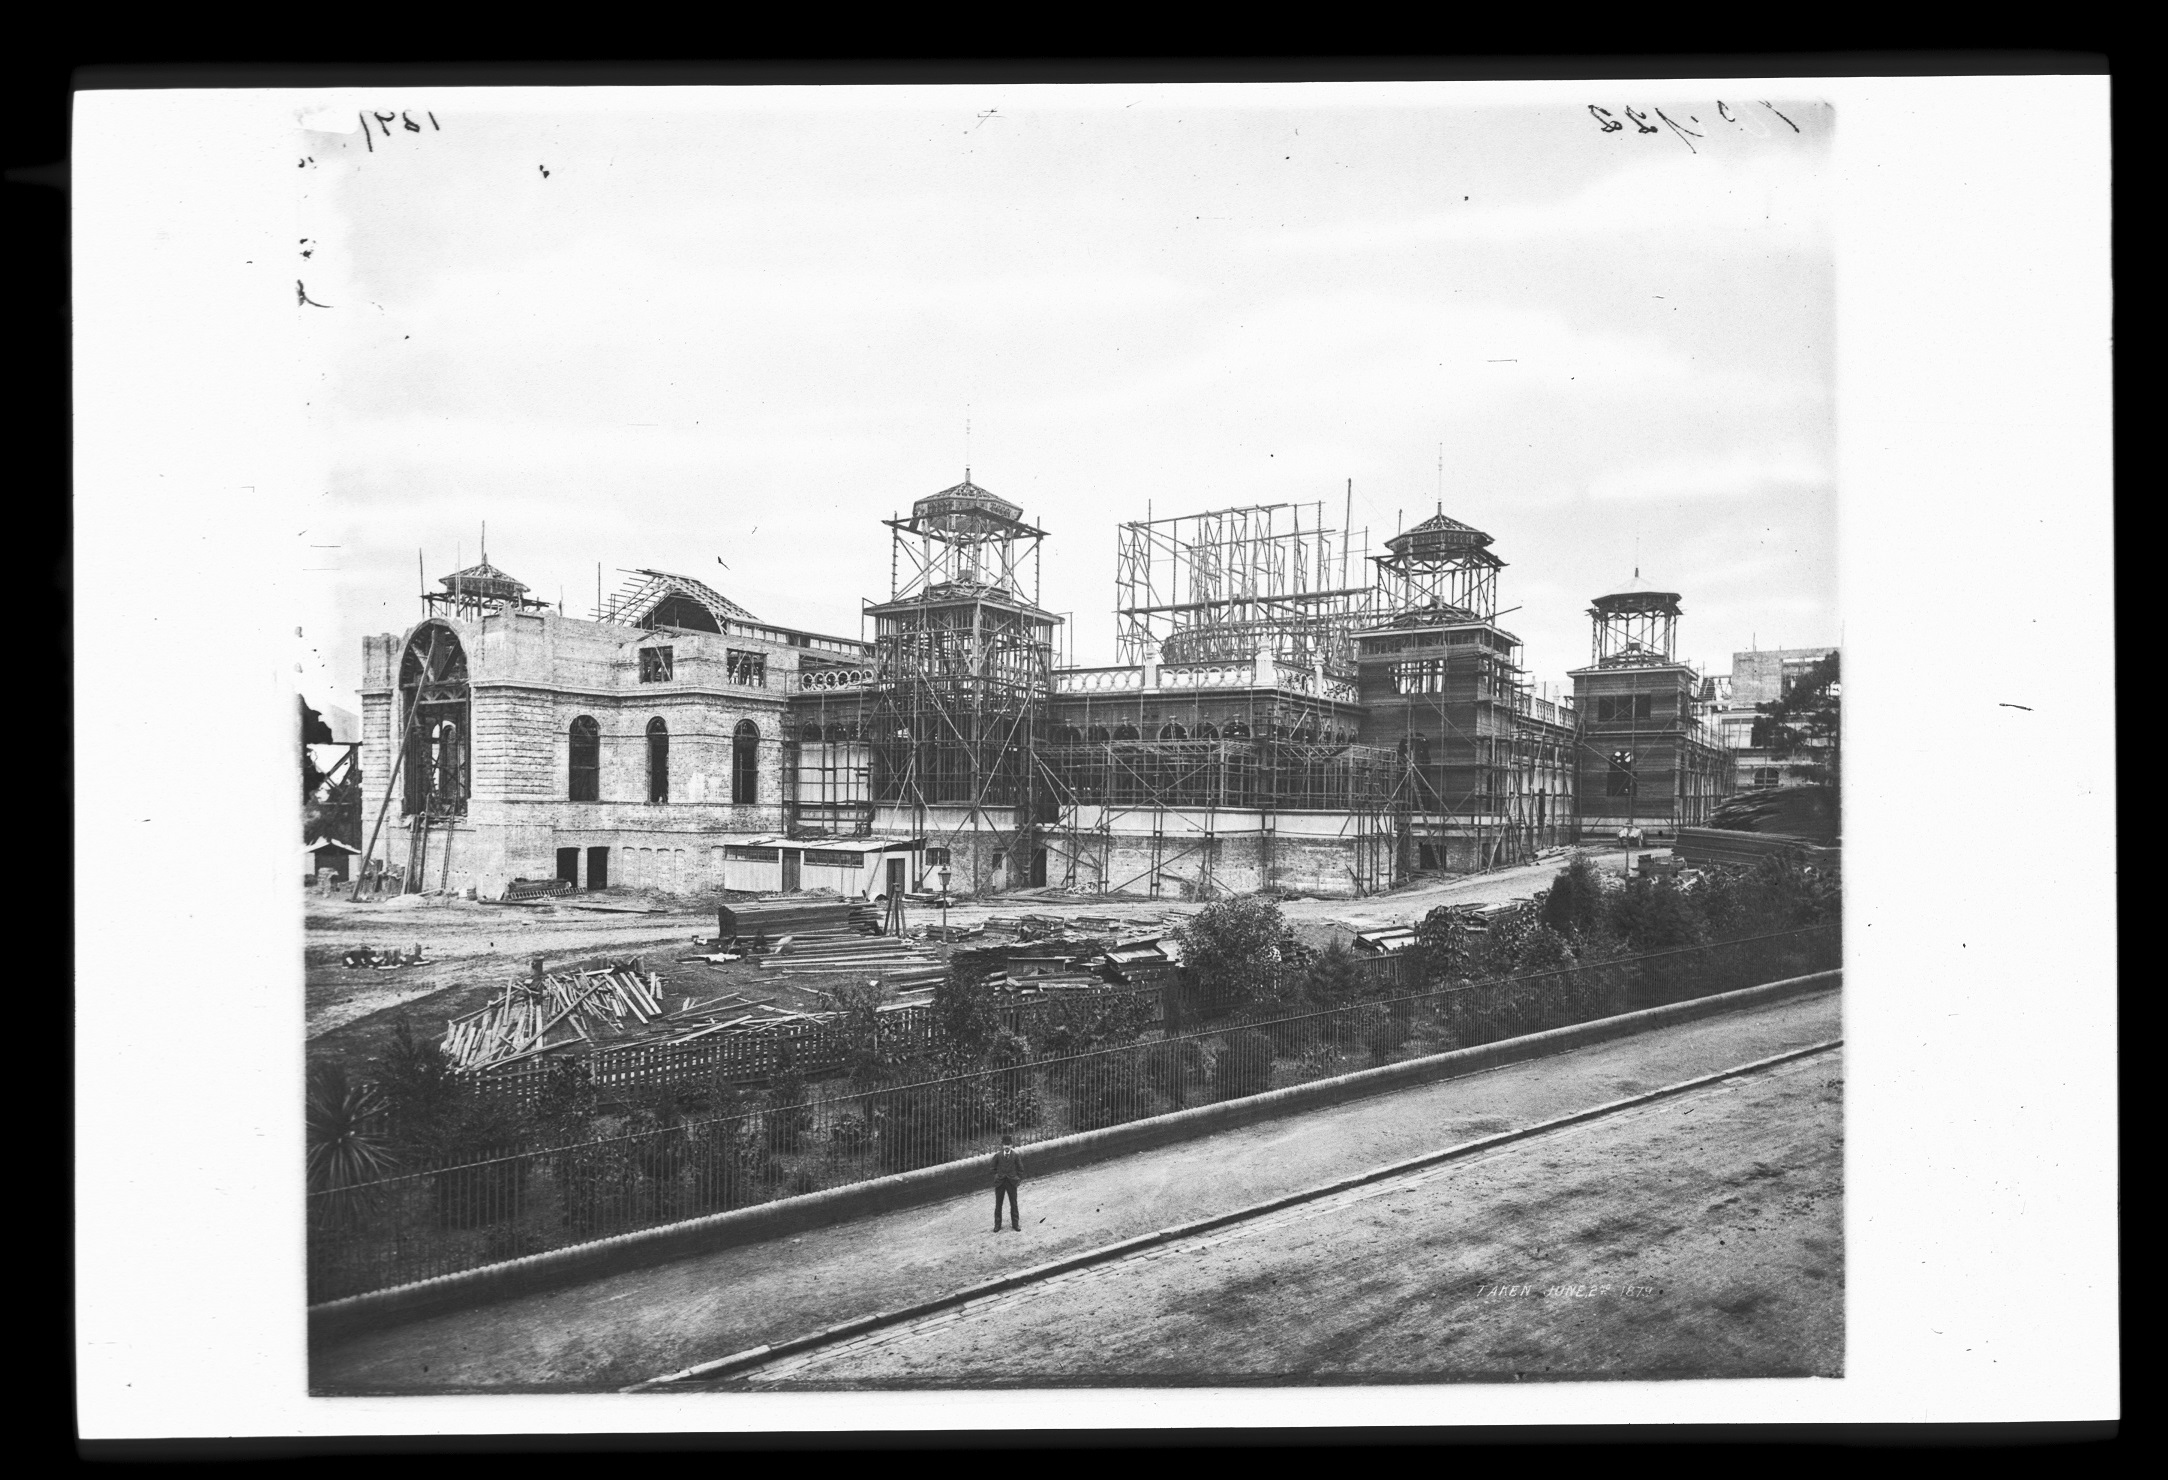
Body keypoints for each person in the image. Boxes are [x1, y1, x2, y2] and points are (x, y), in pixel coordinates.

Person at [990, 1134, 1023, 1232]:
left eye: (1008, 1144)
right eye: (1005, 1145)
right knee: (998, 1204)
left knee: (1014, 1203)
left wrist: (1017, 1179)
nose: (1007, 1147)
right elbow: (992, 1168)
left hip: (1011, 1182)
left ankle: (1015, 1224)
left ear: (1012, 1145)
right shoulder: (998, 1155)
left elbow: (1020, 1169)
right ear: (1002, 1145)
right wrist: (997, 1177)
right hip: (1000, 1183)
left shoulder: (1015, 1156)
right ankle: (997, 1225)